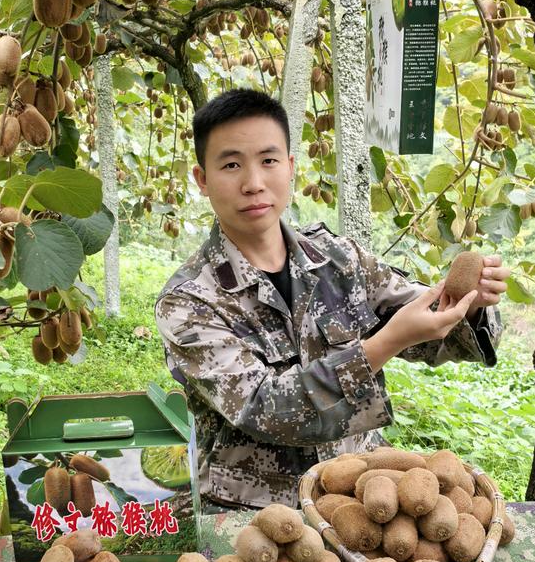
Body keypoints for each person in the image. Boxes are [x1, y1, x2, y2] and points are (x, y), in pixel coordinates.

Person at [154, 89, 510, 510]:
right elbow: (266, 408)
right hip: (250, 514)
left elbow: (431, 326)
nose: (253, 183)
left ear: (289, 167)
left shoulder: (339, 259)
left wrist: (468, 302)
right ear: (203, 179)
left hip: (356, 495)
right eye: (231, 165)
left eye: (269, 161)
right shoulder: (189, 302)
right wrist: (385, 344)